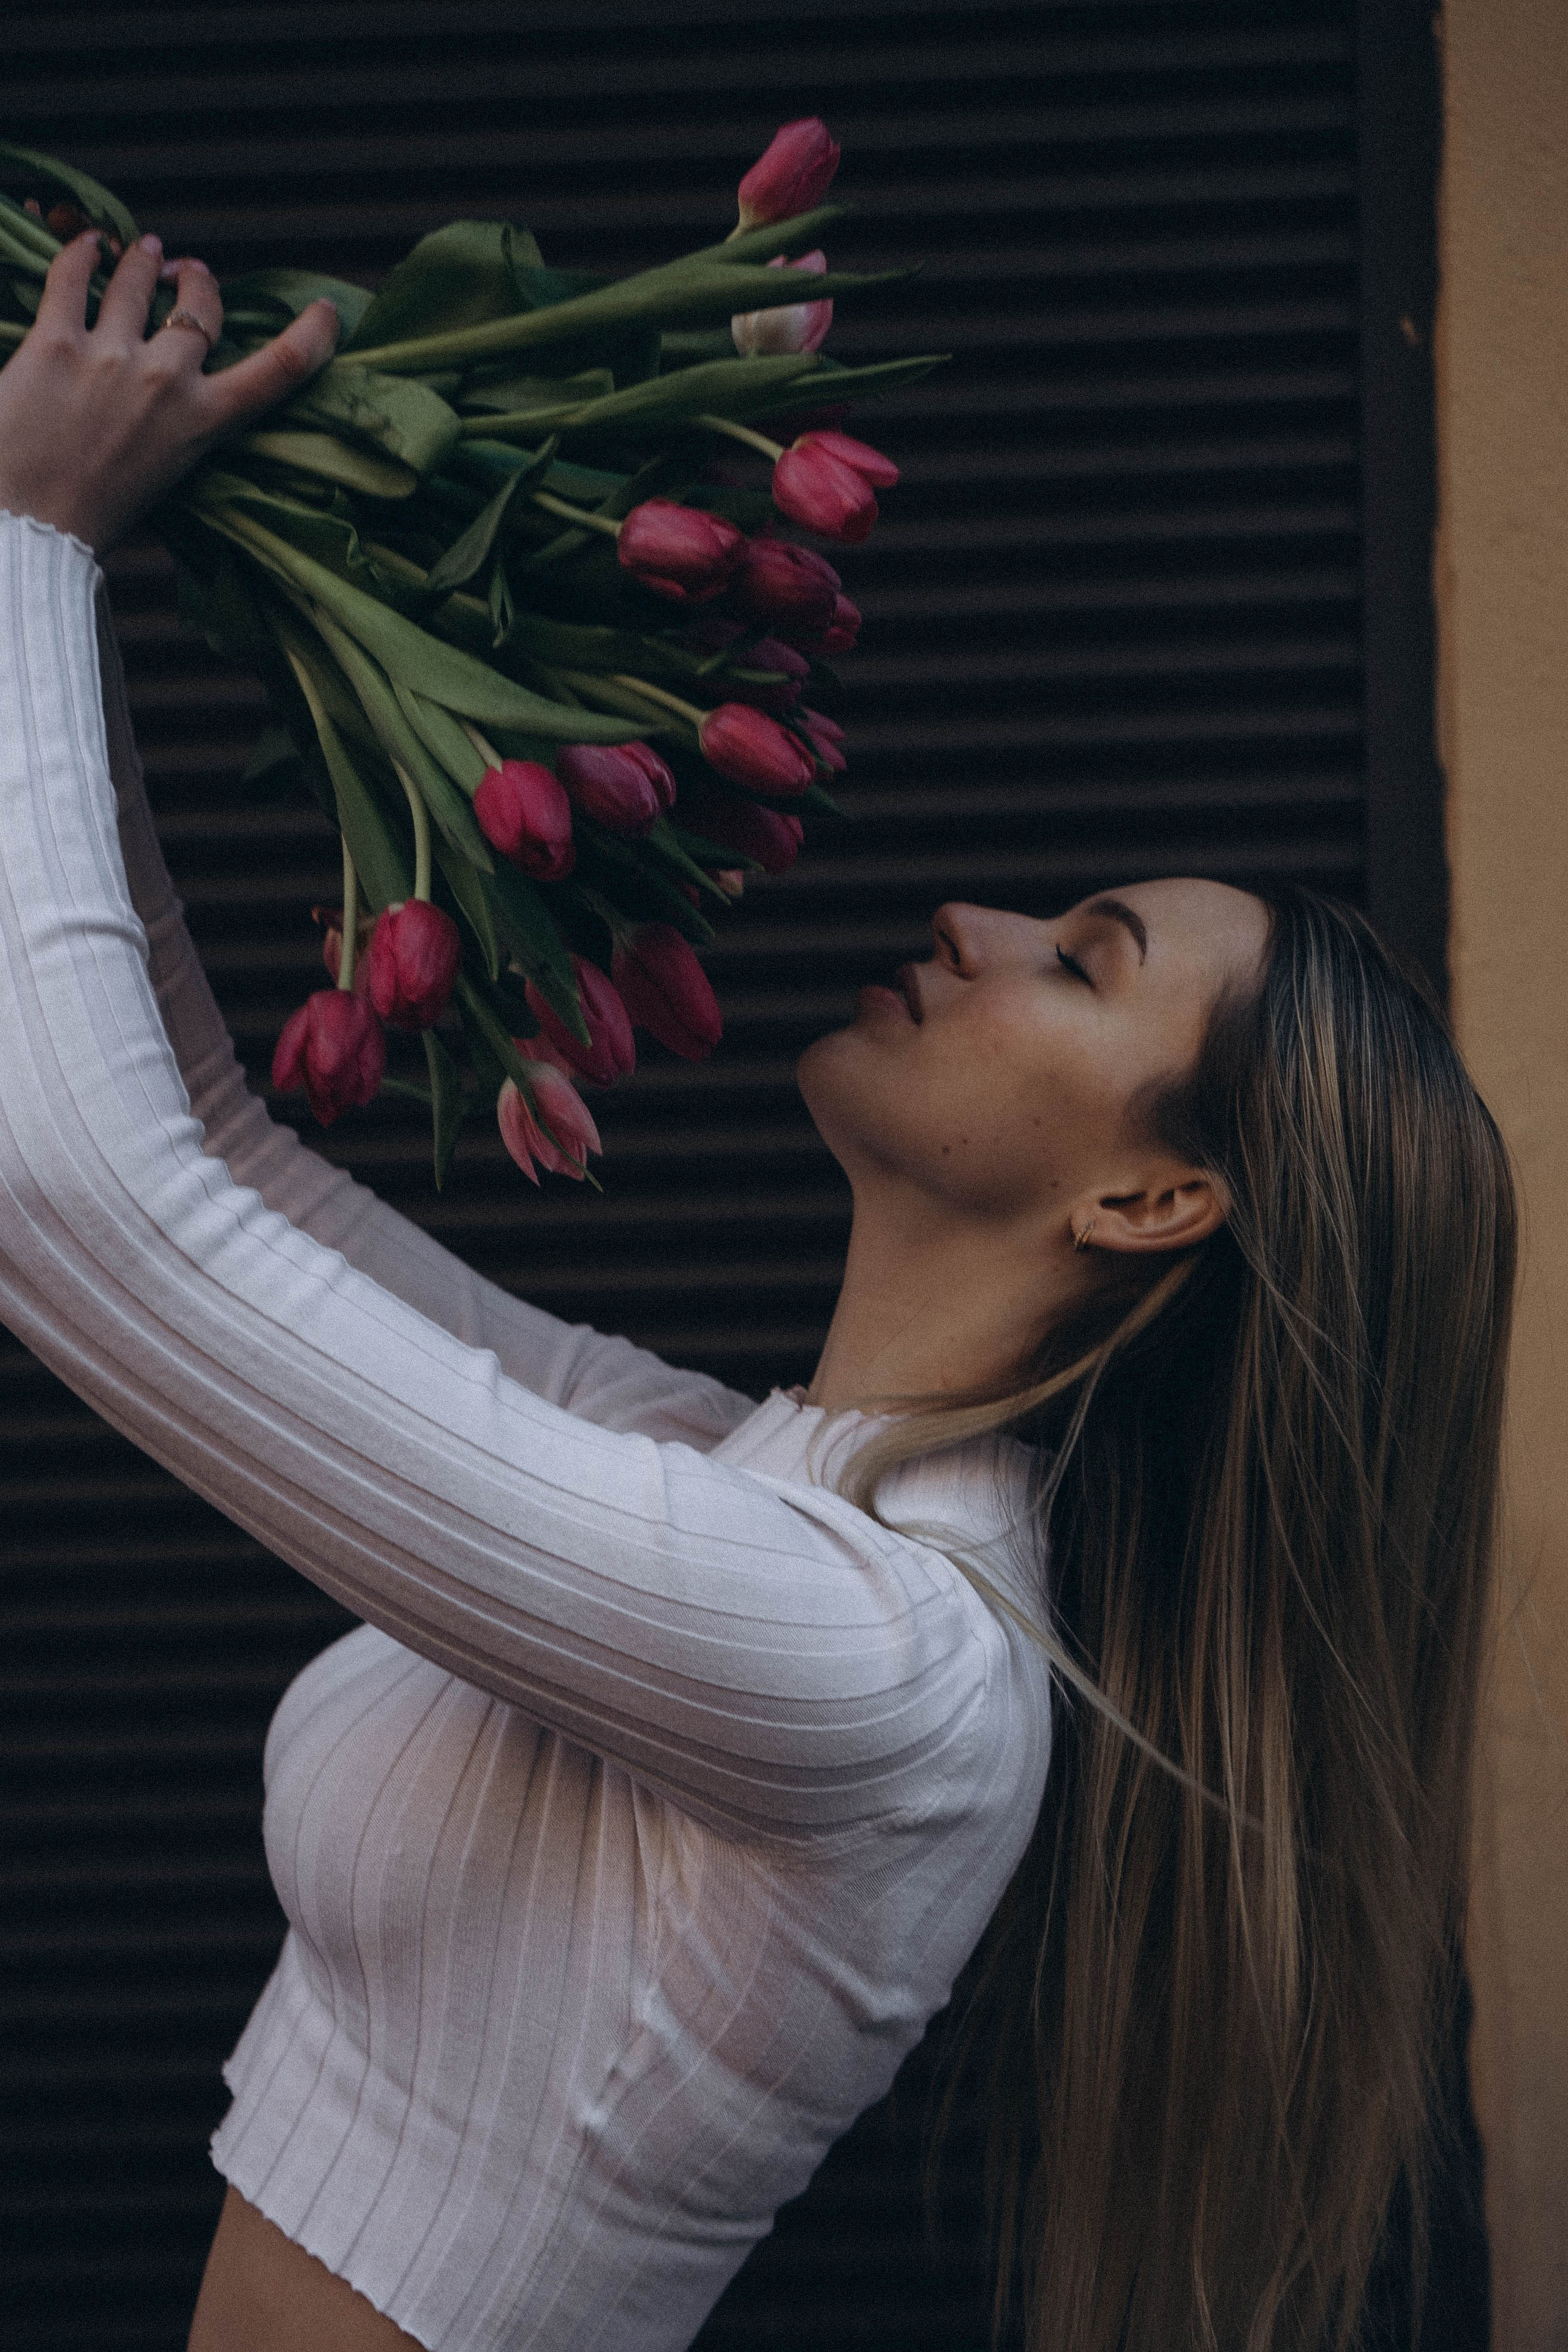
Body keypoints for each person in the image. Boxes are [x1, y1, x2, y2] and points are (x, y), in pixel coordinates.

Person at [0, 233, 1513, 2352]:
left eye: (1082, 961)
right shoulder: (734, 1477)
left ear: (1159, 1199)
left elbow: (75, 1198)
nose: (976, 922)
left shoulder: (877, 1660)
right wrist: (111, 557)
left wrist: (32, 537)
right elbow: (210, 1152)